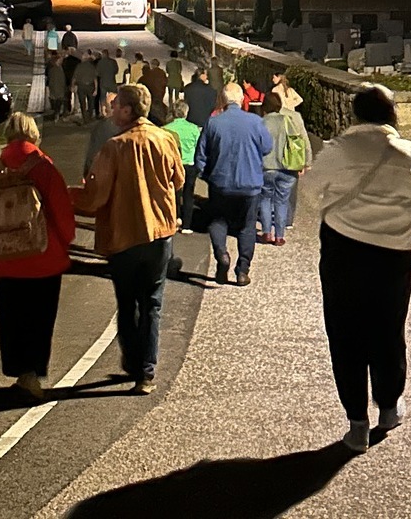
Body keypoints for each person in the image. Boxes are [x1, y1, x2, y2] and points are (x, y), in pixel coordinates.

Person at [304, 84, 411, 454]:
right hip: (394, 252)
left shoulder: (339, 150)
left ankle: (357, 423)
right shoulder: (407, 152)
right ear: (391, 113)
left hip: (345, 249)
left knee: (345, 335)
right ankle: (389, 407)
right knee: (389, 330)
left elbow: (310, 192)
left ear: (355, 114)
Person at [72, 84, 184, 394]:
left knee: (127, 302)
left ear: (127, 110)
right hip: (159, 234)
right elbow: (178, 180)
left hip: (124, 236)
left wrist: (66, 197)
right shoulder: (165, 139)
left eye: (115, 105)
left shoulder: (114, 147)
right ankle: (146, 372)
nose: (110, 110)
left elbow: (95, 197)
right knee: (152, 303)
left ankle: (133, 362)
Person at [0, 112, 75, 402]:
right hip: (42, 257)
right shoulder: (42, 166)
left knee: (12, 316)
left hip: (4, 257)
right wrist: (66, 239)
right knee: (40, 318)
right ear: (33, 133)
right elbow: (61, 210)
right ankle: (32, 375)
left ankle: (19, 371)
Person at [194, 82, 273, 287]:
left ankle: (222, 254)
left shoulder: (213, 123)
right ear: (241, 99)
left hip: (220, 183)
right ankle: (242, 270)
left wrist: (206, 175)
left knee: (218, 222)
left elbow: (200, 155)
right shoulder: (255, 122)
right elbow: (267, 147)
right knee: (247, 227)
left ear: (223, 100)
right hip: (250, 184)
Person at [258, 92, 311, 245]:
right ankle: (279, 236)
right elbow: (300, 141)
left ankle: (267, 232)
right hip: (288, 168)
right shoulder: (289, 120)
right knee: (282, 201)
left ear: (264, 107)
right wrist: (305, 162)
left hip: (266, 168)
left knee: (265, 199)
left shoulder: (261, 123)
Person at [164, 100, 201, 233]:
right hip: (189, 164)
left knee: (173, 193)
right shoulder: (194, 128)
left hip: (173, 165)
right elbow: (198, 146)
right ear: (186, 112)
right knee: (188, 194)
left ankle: (174, 219)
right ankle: (186, 225)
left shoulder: (165, 129)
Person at [82, 91, 120, 179]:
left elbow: (93, 154)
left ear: (104, 109)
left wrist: (87, 174)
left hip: (105, 176)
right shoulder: (128, 125)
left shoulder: (101, 128)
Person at [72, 52, 98, 122]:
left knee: (82, 102)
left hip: (81, 86)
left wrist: (72, 85)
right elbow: (95, 79)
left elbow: (74, 77)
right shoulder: (92, 66)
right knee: (91, 102)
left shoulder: (79, 66)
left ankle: (84, 117)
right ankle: (90, 116)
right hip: (90, 86)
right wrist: (96, 89)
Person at [46, 54, 67, 122]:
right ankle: (56, 115)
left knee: (57, 102)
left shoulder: (55, 69)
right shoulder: (56, 69)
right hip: (57, 88)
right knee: (58, 102)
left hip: (57, 88)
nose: (61, 61)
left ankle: (56, 114)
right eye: (60, 60)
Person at [62, 46, 80, 113]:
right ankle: (76, 108)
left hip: (67, 80)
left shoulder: (65, 60)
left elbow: (63, 70)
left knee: (67, 96)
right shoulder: (78, 61)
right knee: (76, 96)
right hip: (76, 80)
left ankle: (68, 108)